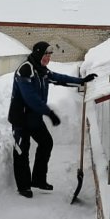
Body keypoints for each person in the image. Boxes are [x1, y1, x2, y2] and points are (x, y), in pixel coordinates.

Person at [7, 41, 97, 198]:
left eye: (49, 56)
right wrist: (49, 112)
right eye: (46, 55)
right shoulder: (26, 70)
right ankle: (23, 186)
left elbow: (59, 78)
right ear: (38, 54)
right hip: (20, 119)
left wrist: (81, 81)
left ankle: (38, 179)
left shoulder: (42, 70)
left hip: (34, 117)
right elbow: (30, 98)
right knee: (22, 150)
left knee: (46, 142)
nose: (48, 58)